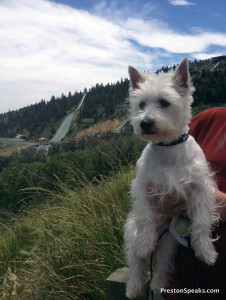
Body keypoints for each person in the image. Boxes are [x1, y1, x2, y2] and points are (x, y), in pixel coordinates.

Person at [162, 107, 226, 300]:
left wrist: (220, 204)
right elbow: (158, 158)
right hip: (178, 287)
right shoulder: (211, 120)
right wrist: (161, 197)